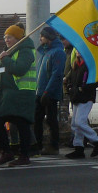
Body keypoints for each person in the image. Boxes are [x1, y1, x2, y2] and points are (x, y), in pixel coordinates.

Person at [0, 24, 37, 167]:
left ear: (17, 38)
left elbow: (19, 69)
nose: (6, 40)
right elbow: (3, 72)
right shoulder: (8, 51)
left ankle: (24, 155)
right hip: (6, 94)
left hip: (21, 93)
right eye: (5, 37)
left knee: (22, 124)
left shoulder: (26, 51)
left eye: (9, 37)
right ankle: (6, 151)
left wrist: (6, 59)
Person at [63, 48, 98, 158]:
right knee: (75, 124)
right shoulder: (76, 64)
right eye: (77, 49)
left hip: (86, 97)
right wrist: (69, 86)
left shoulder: (90, 65)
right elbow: (71, 78)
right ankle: (79, 148)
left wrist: (84, 88)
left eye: (80, 49)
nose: (78, 51)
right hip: (76, 96)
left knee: (80, 122)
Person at [32, 26, 65, 155]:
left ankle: (54, 146)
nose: (40, 38)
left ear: (49, 37)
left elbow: (56, 74)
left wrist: (47, 91)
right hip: (40, 92)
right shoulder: (45, 53)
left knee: (51, 120)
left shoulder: (58, 52)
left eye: (42, 36)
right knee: (37, 119)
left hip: (50, 93)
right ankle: (37, 145)